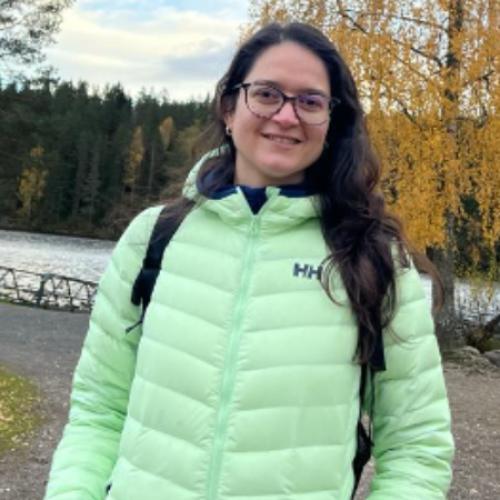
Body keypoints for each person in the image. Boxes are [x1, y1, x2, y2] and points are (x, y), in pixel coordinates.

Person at [44, 22, 454, 500]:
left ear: (332, 121)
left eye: (310, 101)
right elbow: (99, 410)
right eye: (266, 94)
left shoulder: (373, 258)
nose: (285, 115)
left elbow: (416, 446)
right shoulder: (153, 239)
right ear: (229, 106)